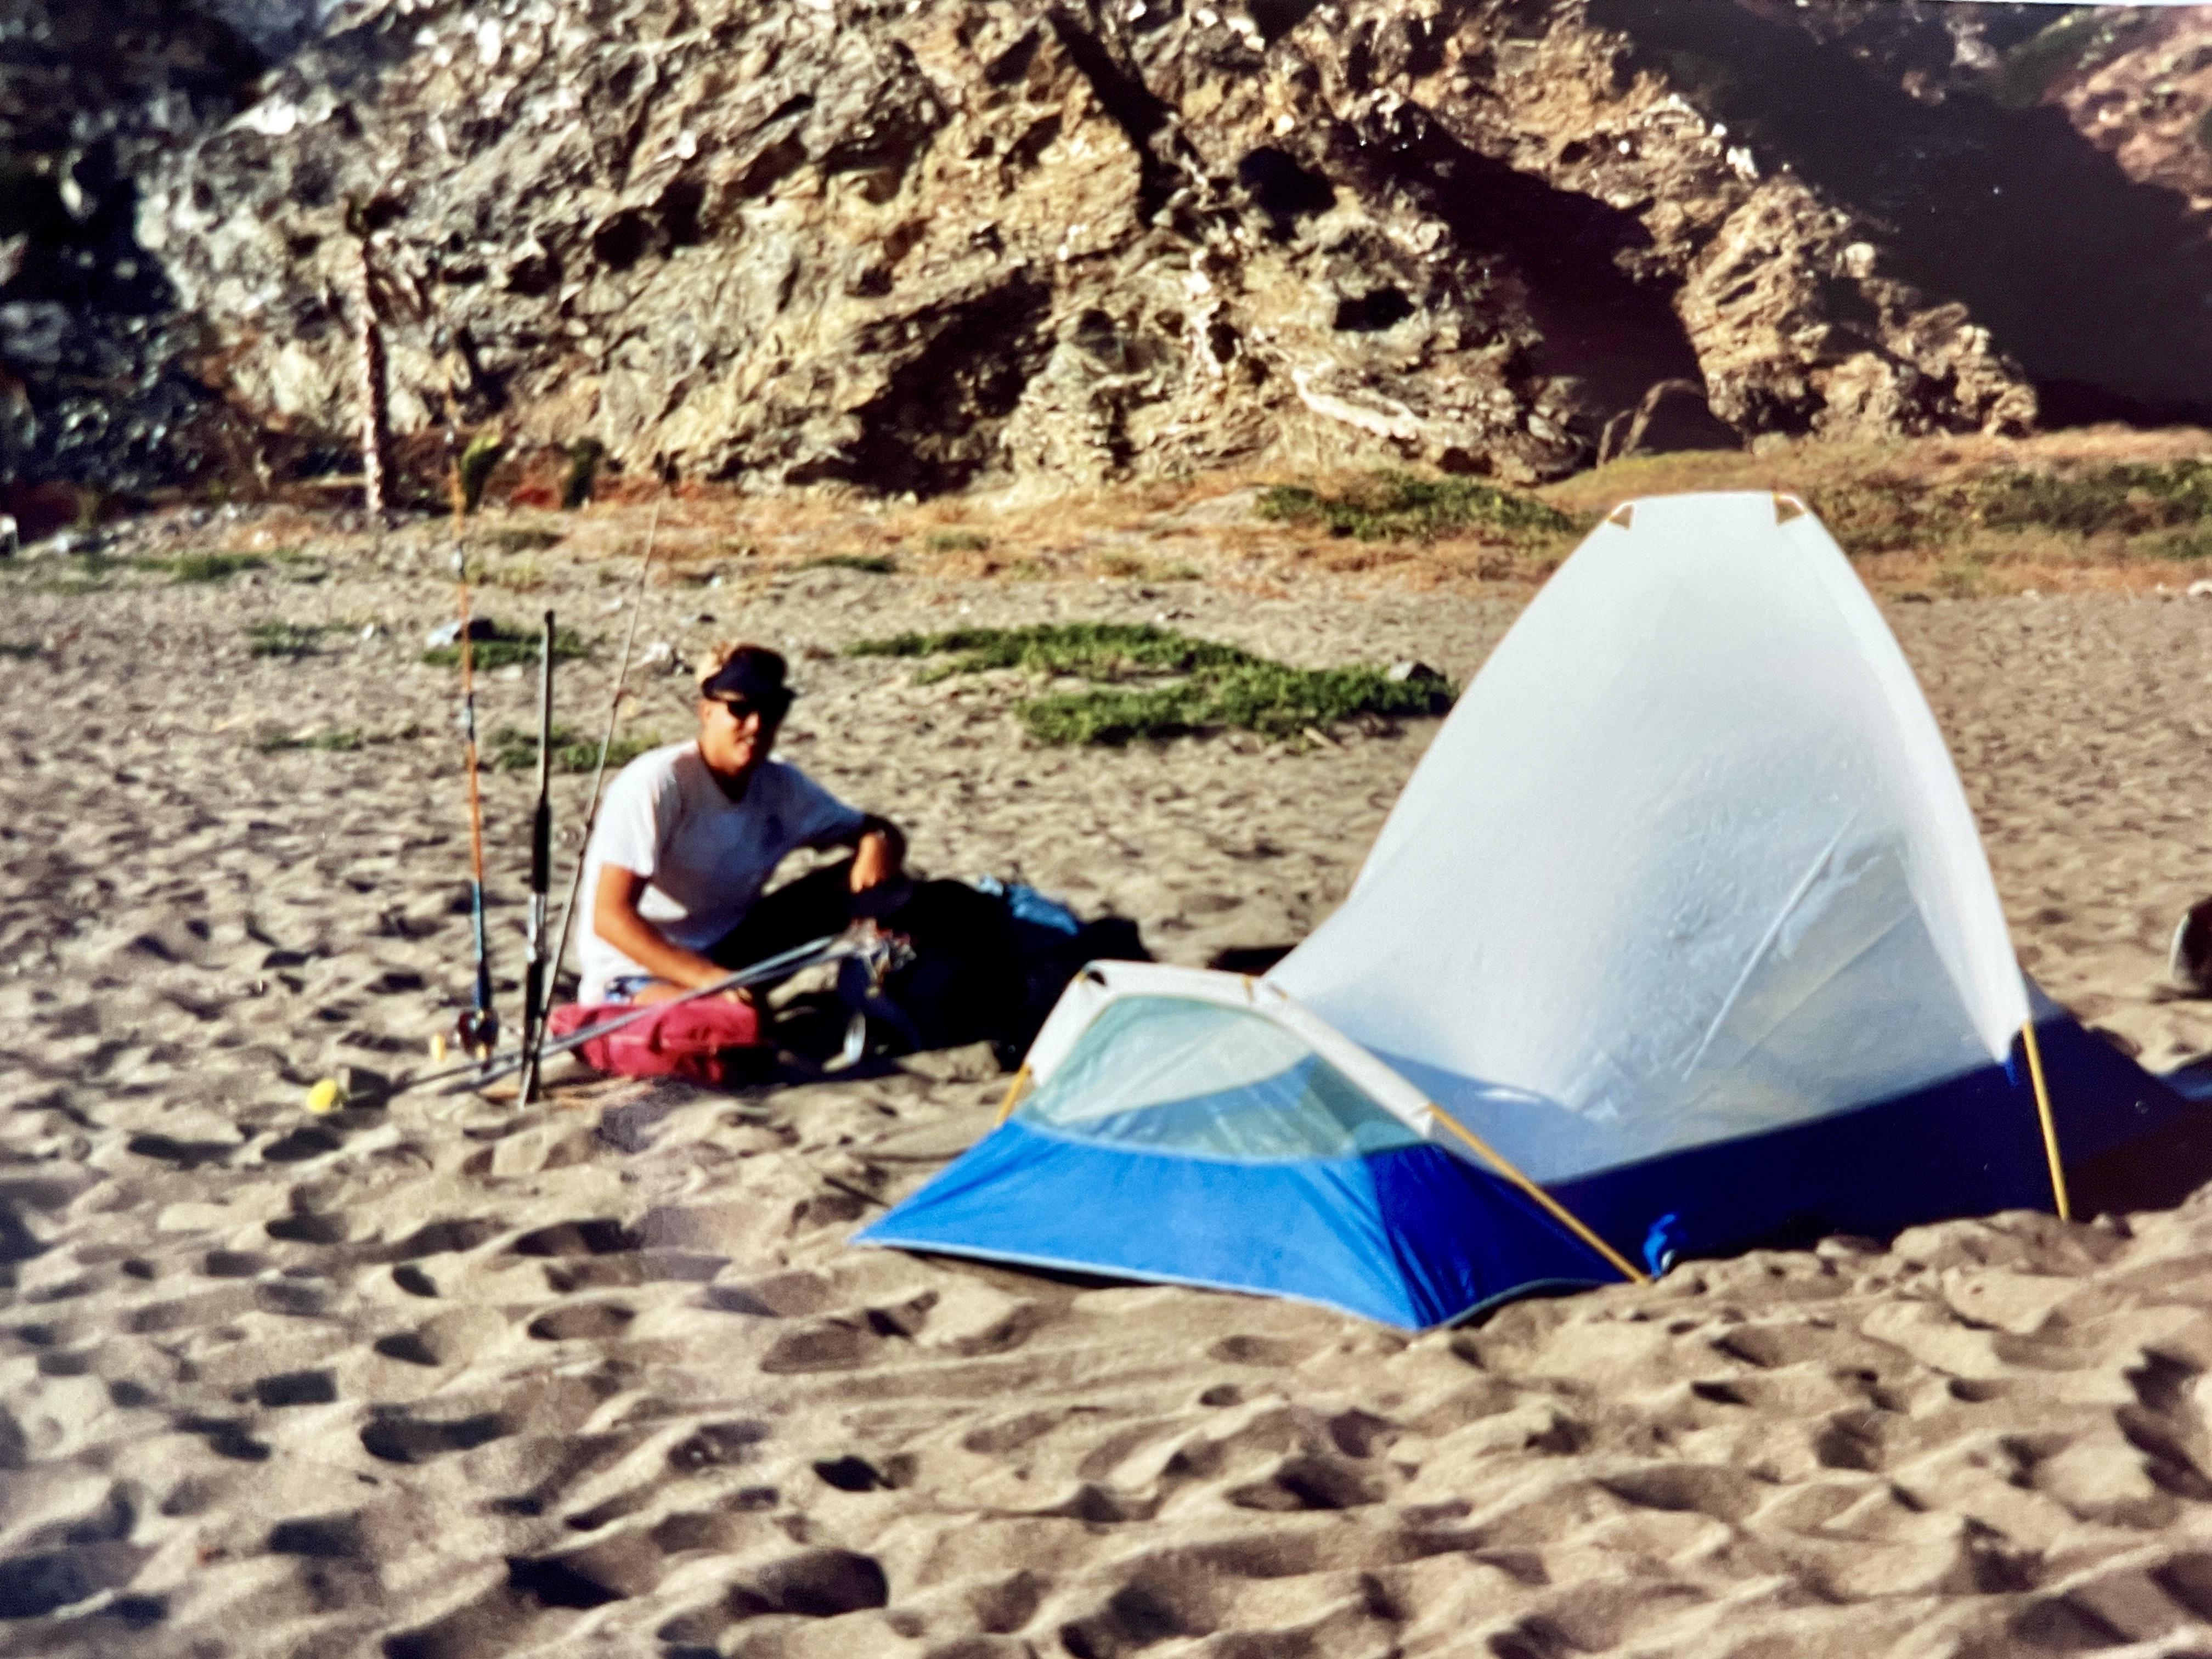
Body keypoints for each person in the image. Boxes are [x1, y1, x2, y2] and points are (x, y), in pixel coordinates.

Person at [577, 643, 906, 1008]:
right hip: (641, 966)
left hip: (730, 950)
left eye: (771, 711)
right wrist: (709, 980)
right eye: (740, 709)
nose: (756, 725)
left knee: (884, 885)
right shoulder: (659, 783)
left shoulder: (782, 785)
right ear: (706, 712)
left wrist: (876, 842)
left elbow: (876, 829)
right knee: (729, 1031)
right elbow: (609, 917)